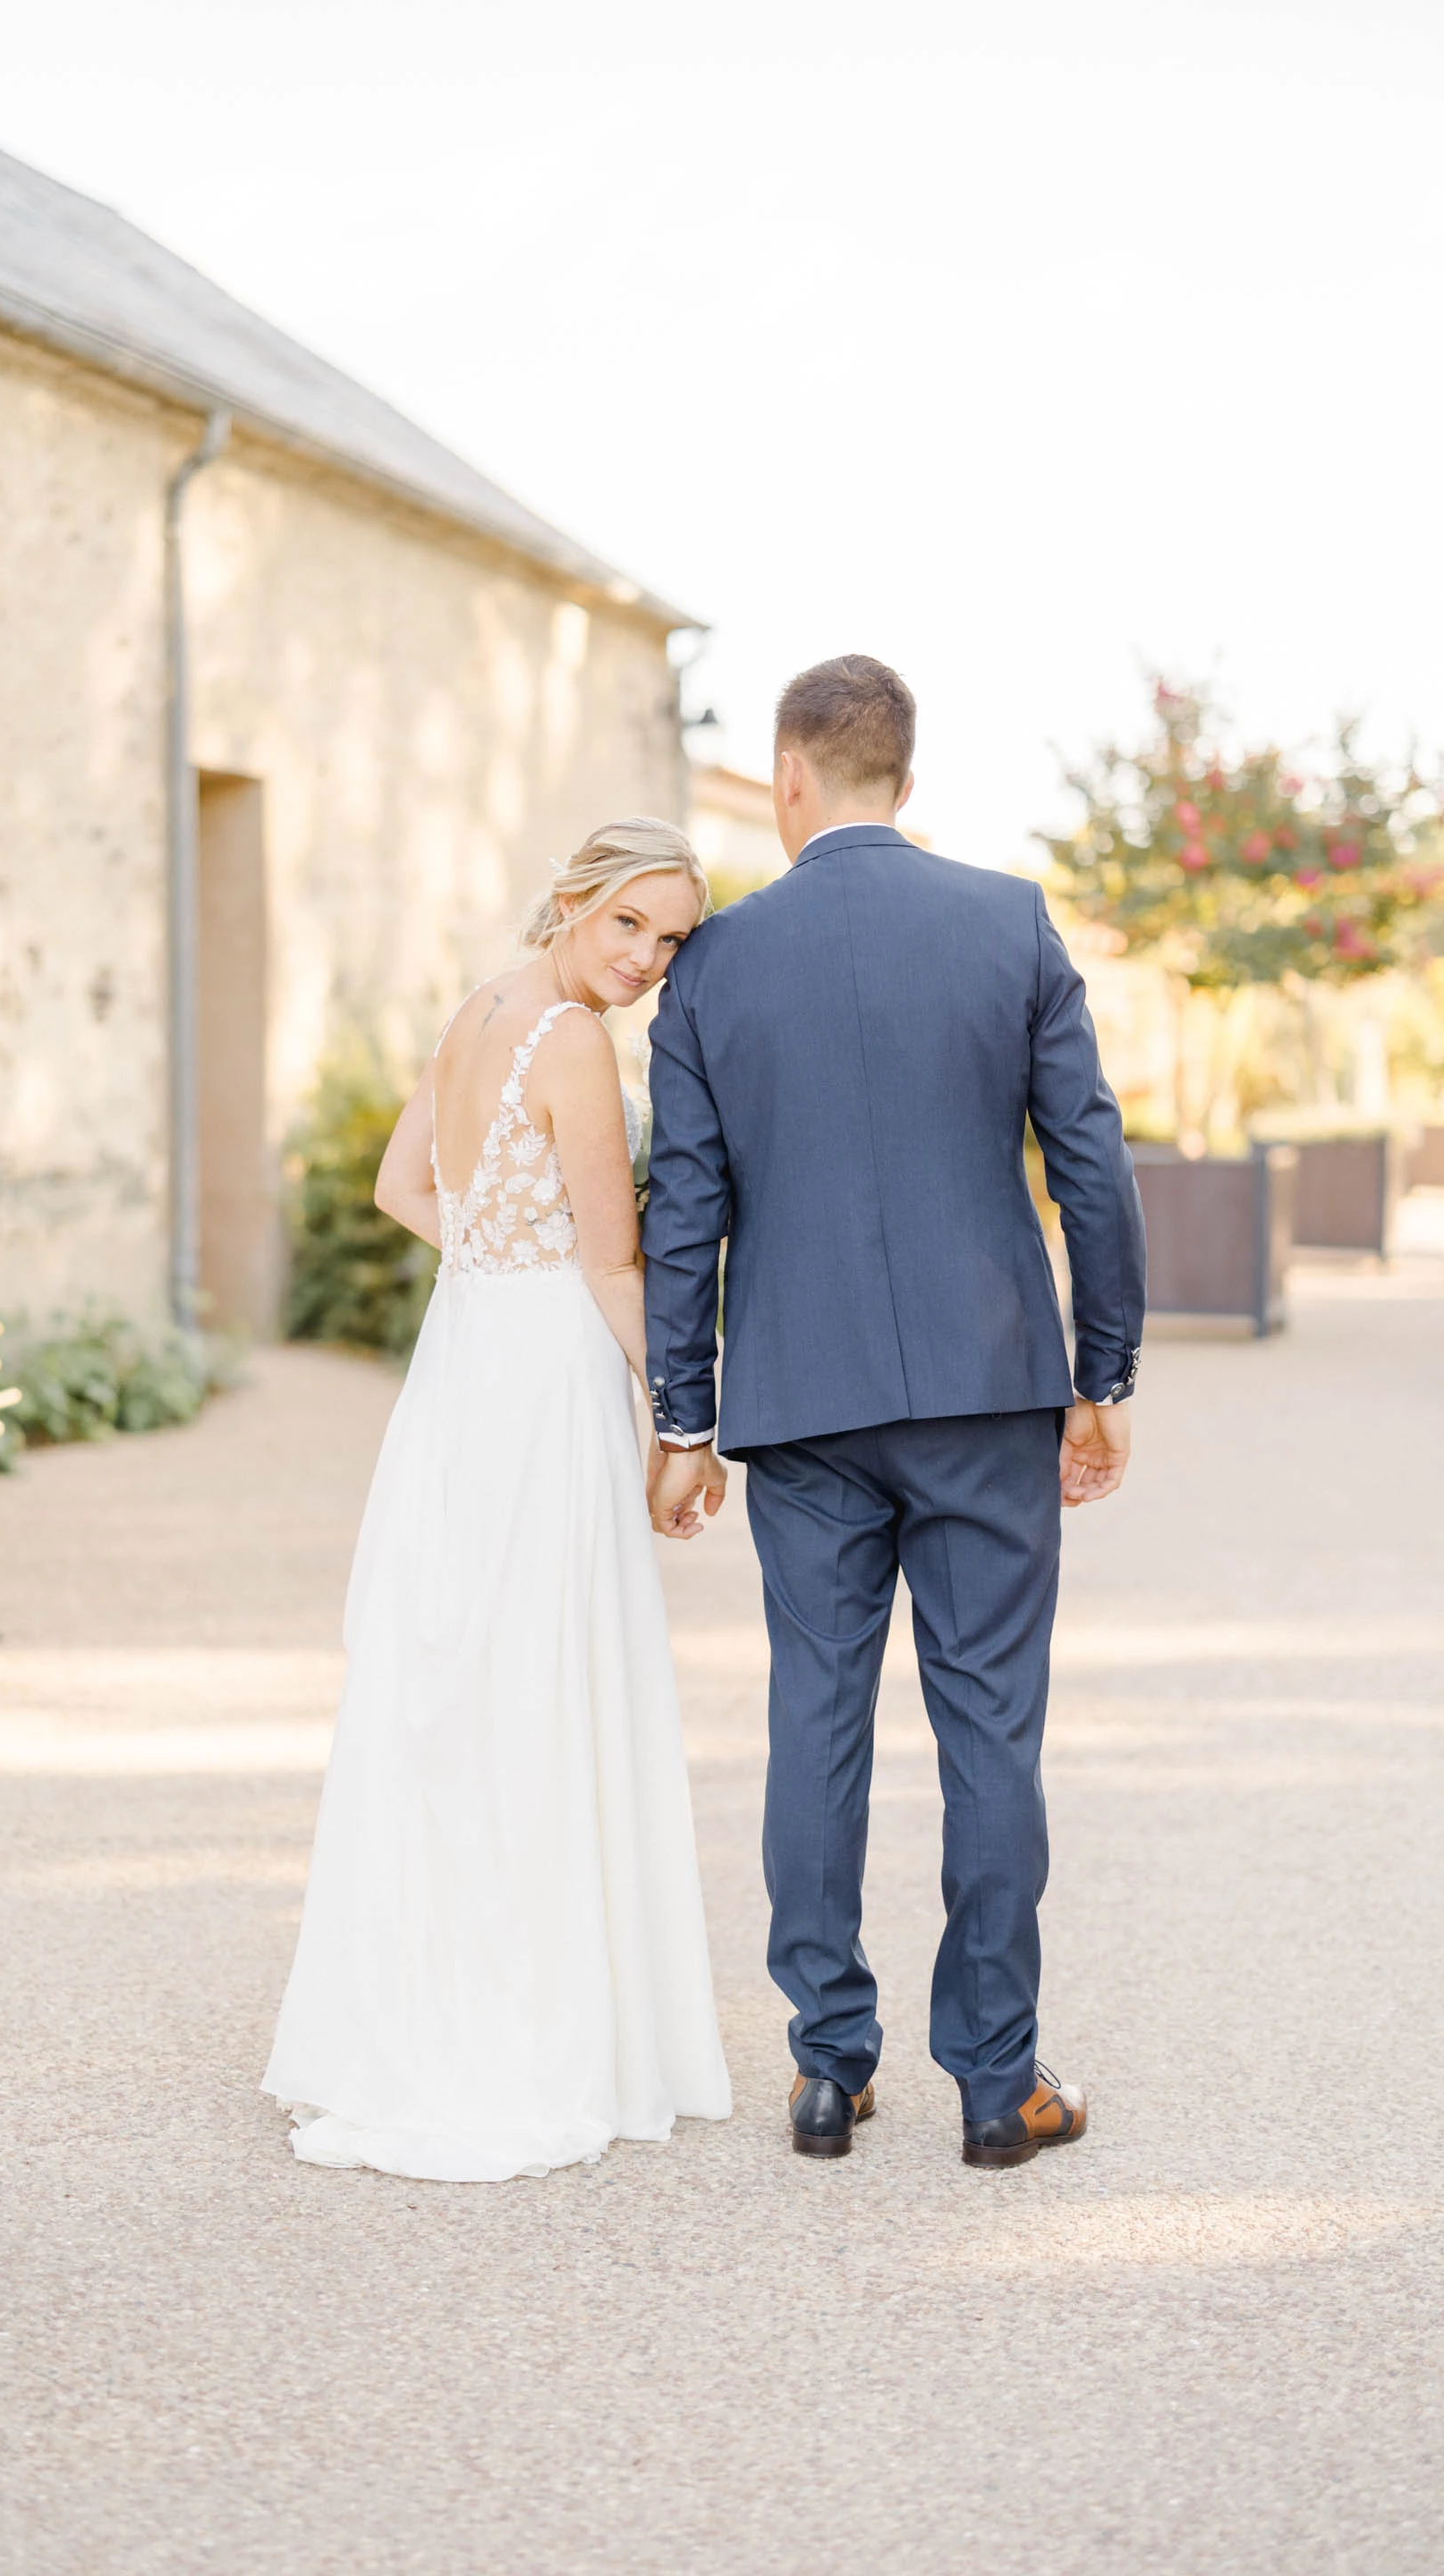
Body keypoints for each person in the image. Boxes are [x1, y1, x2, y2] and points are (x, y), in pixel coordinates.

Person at [642, 655, 1145, 2169]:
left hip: (801, 1407)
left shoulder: (716, 964)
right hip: (991, 1388)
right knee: (992, 1721)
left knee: (818, 1711)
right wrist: (1102, 1372)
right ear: (904, 781)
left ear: (791, 777)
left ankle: (827, 2065)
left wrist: (683, 1409)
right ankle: (998, 2083)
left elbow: (686, 1207)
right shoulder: (1007, 922)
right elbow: (1093, 1164)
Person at [262, 818, 732, 2182]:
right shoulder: (575, 1044)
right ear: (573, 902)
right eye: (629, 925)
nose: (646, 961)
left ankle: (420, 2003)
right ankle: (538, 2024)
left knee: (462, 1678)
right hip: (538, 1377)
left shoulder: (480, 1007)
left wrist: (491, 1245)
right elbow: (615, 1261)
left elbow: (404, 1186)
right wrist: (685, 1421)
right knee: (538, 1674)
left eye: (673, 940)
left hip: (464, 1359)